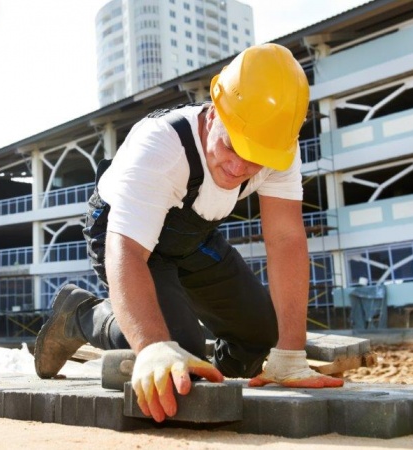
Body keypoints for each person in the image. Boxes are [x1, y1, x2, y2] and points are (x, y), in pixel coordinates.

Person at [34, 43, 343, 423]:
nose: (240, 167)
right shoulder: (162, 148)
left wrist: (290, 356)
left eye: (255, 159)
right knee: (174, 352)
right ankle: (81, 316)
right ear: (214, 114)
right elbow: (126, 251)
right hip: (122, 235)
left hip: (193, 239)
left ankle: (206, 373)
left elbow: (285, 239)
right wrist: (152, 347)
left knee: (261, 334)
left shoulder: (275, 146)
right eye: (232, 146)